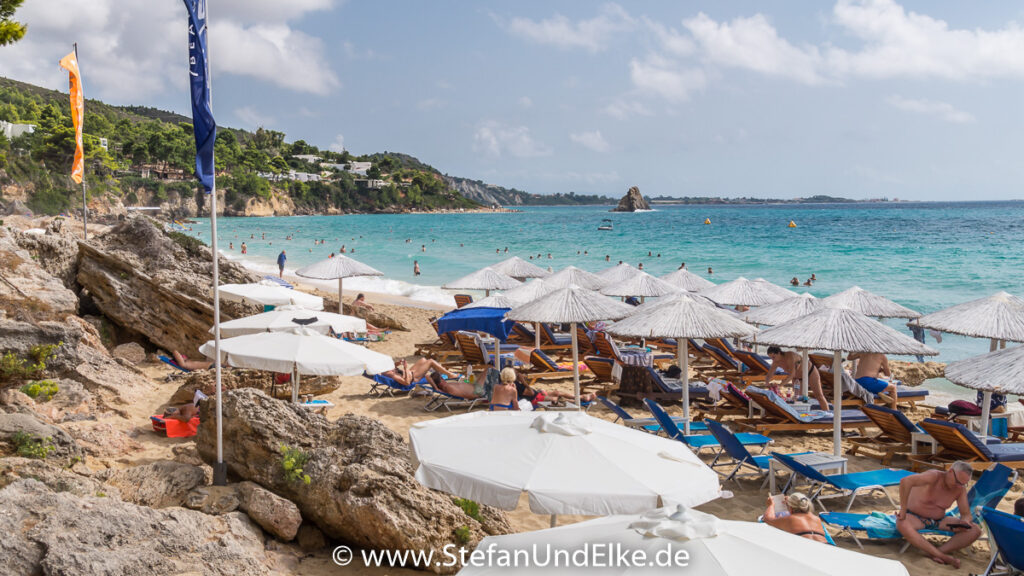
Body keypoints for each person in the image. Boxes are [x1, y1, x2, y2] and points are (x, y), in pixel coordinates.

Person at [896, 462, 981, 568]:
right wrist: (903, 509)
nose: (959, 486)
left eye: (963, 484)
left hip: (940, 520)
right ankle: (943, 557)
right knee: (902, 523)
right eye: (958, 482)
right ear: (950, 472)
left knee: (975, 530)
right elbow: (905, 481)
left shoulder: (960, 489)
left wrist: (965, 521)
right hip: (915, 517)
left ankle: (937, 553)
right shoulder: (933, 476)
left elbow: (966, 514)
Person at [765, 346, 829, 410]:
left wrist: (780, 385)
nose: (772, 360)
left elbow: (791, 374)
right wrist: (767, 383)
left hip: (810, 373)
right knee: (798, 398)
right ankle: (800, 416)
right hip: (797, 378)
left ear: (779, 353)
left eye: (773, 357)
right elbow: (769, 374)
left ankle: (828, 414)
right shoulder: (776, 362)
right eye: (771, 358)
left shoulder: (790, 356)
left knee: (819, 396)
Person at [764, 493, 829, 544]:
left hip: (806, 547)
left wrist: (771, 505)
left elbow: (767, 519)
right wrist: (791, 502)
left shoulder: (790, 519)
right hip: (826, 546)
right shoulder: (816, 518)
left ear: (791, 508)